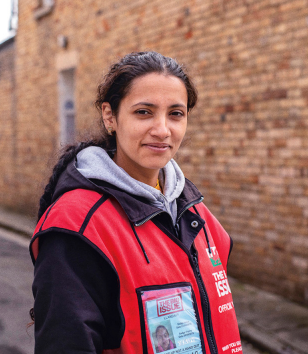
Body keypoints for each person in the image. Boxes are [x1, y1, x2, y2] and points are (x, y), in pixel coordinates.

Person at [30, 51, 242, 353]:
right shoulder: (76, 226)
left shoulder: (198, 216)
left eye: (175, 114)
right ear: (110, 116)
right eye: (144, 112)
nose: (162, 129)